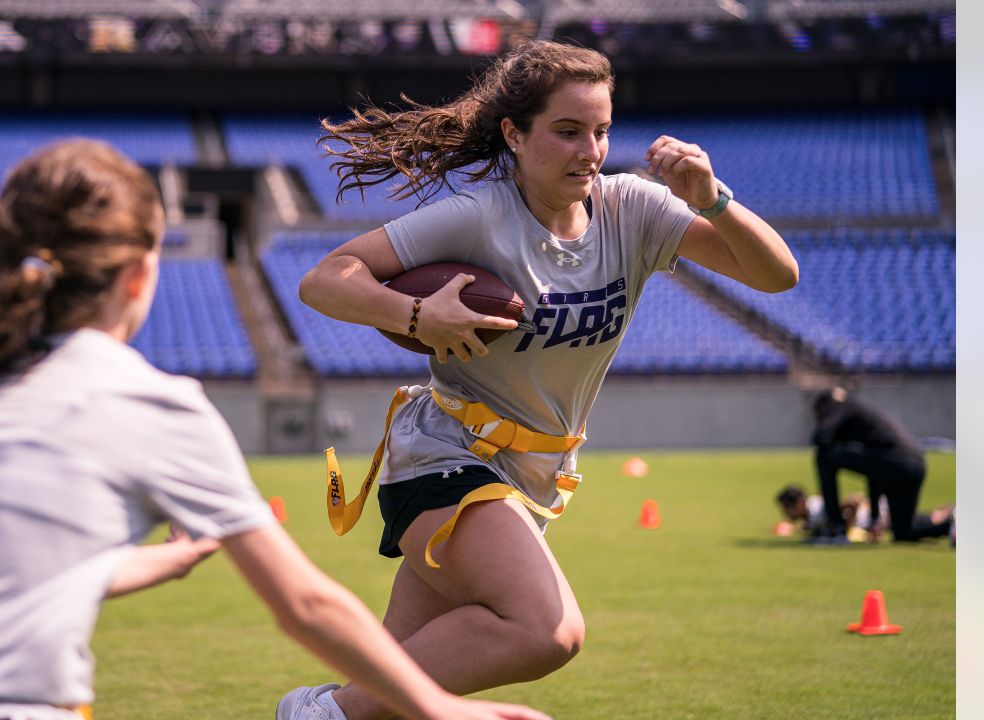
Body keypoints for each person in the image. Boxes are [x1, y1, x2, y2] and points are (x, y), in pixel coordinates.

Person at [0, 140, 549, 720]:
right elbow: (306, 605)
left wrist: (173, 558)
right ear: (142, 274)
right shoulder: (153, 402)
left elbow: (16, 576)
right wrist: (439, 706)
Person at [289, 39, 798, 719]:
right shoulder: (479, 216)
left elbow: (776, 275)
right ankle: (319, 711)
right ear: (514, 134)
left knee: (395, 702)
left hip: (532, 474)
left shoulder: (632, 211)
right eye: (566, 132)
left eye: (600, 131)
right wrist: (414, 312)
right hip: (445, 458)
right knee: (547, 631)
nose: (589, 150)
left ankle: (330, 712)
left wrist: (713, 200)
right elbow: (325, 279)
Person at [807, 386, 954, 545]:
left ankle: (835, 528)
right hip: (913, 465)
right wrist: (874, 519)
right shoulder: (863, 424)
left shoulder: (842, 405)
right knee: (903, 532)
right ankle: (950, 527)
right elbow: (874, 471)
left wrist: (832, 436)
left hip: (895, 461)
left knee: (825, 456)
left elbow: (821, 437)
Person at [775, 483, 887, 539]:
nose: (785, 513)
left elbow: (853, 502)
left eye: (786, 508)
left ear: (799, 504)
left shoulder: (816, 511)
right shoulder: (813, 508)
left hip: (884, 514)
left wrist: (848, 531)